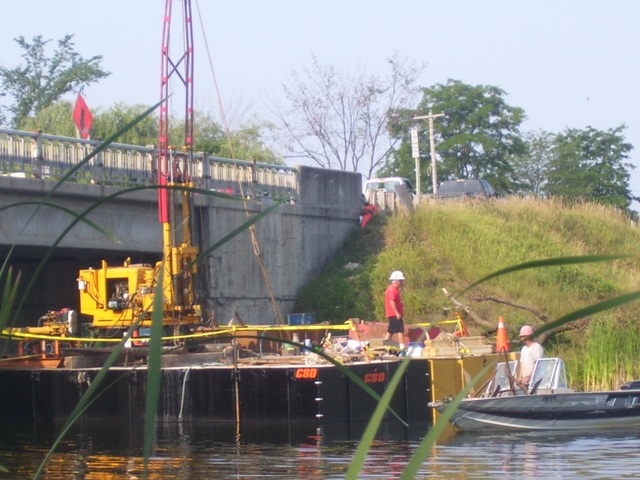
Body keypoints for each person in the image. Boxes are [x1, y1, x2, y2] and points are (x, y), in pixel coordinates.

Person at [384, 270, 406, 350]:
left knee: (391, 330)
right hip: (393, 314)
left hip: (394, 314)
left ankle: (385, 344)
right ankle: (401, 346)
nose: (402, 282)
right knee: (399, 329)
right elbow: (391, 301)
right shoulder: (391, 290)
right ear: (397, 281)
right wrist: (397, 312)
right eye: (401, 281)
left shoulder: (394, 289)